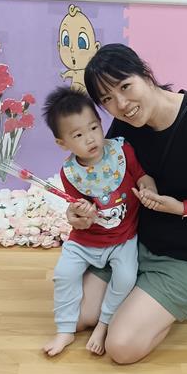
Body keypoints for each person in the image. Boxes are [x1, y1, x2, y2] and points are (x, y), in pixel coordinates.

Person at [69, 44, 187, 366]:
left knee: (121, 347)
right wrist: (81, 212)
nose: (121, 104)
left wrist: (183, 208)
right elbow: (108, 180)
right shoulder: (126, 125)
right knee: (75, 315)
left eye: (125, 86)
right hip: (132, 244)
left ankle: (181, 300)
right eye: (107, 99)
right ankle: (143, 296)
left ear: (145, 74)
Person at [42, 86, 157, 358]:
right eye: (78, 135)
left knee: (126, 277)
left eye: (94, 127)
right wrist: (82, 212)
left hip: (123, 239)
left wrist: (148, 187)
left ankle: (104, 323)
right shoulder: (70, 173)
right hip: (85, 241)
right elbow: (78, 212)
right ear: (62, 143)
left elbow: (142, 176)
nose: (91, 138)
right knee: (64, 274)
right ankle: (65, 329)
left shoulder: (122, 151)